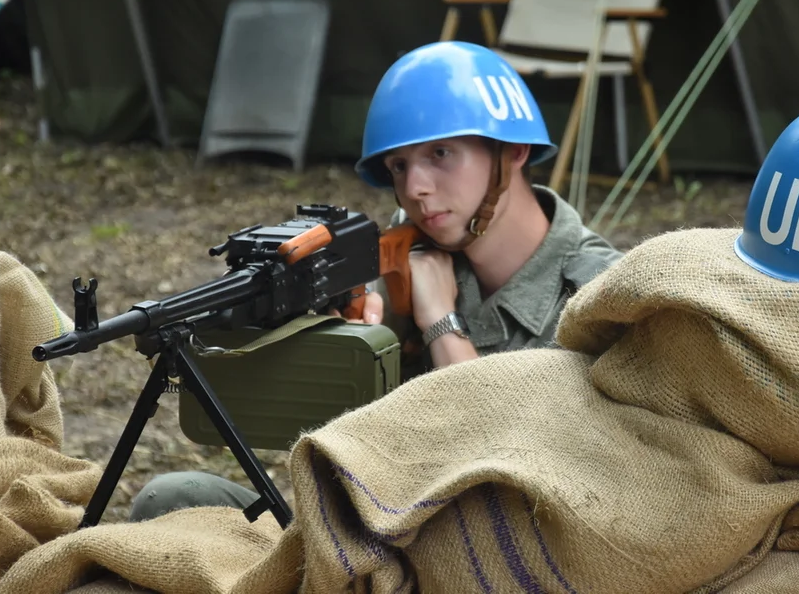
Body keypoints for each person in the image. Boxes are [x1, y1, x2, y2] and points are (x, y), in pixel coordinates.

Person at [128, 40, 623, 522]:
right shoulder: (404, 254)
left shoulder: (604, 296)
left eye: (441, 153)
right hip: (379, 536)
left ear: (512, 152)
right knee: (169, 499)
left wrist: (440, 324)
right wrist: (337, 336)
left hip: (504, 558)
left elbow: (515, 476)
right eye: (399, 166)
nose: (415, 188)